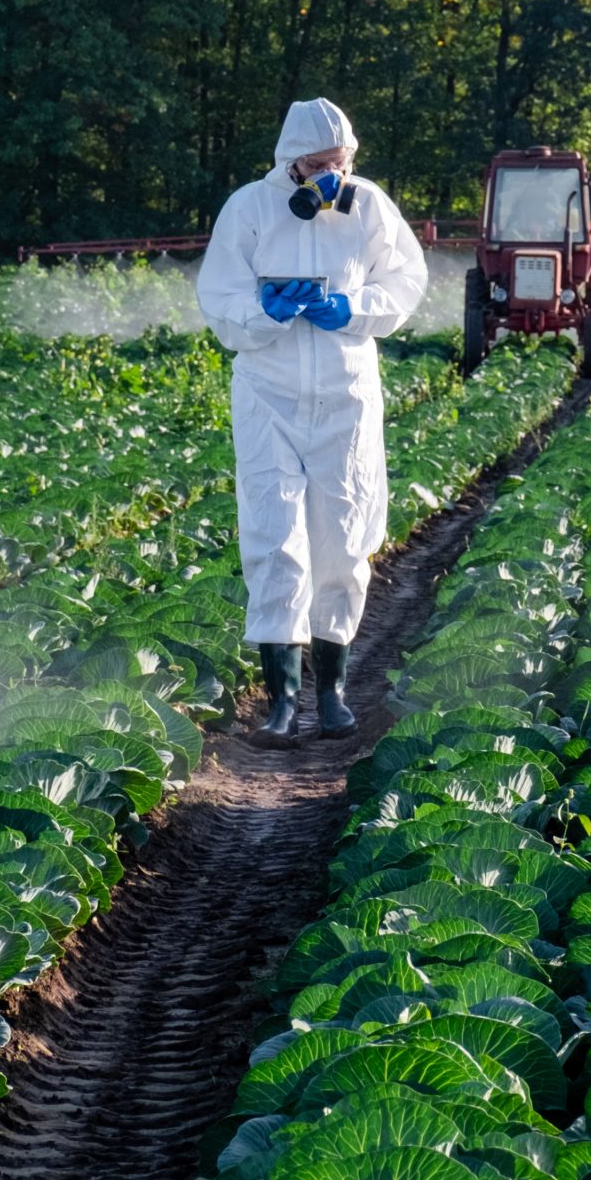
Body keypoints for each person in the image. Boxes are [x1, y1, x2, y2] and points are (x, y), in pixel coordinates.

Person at [196, 98, 432, 748]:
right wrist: (266, 310)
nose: (334, 176)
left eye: (343, 163)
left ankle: (329, 695)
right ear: (293, 162)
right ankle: (280, 702)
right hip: (268, 397)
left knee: (342, 538)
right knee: (275, 539)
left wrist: (350, 307)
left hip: (345, 397)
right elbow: (219, 296)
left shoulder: (368, 207)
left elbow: (407, 280)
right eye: (323, 165)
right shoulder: (249, 207)